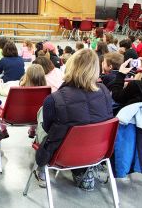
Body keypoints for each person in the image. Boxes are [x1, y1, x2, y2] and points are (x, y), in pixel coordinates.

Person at [35, 49, 113, 190]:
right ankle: (83, 170)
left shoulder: (53, 99)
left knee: (42, 116)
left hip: (61, 155)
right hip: (97, 152)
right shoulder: (105, 92)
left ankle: (41, 169)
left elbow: (47, 130)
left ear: (70, 66)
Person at [0, 64, 47, 142]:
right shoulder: (46, 91)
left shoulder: (17, 90)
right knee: (36, 111)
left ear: (26, 76)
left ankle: (4, 131)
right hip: (35, 118)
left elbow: (6, 107)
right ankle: (32, 131)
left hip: (13, 117)